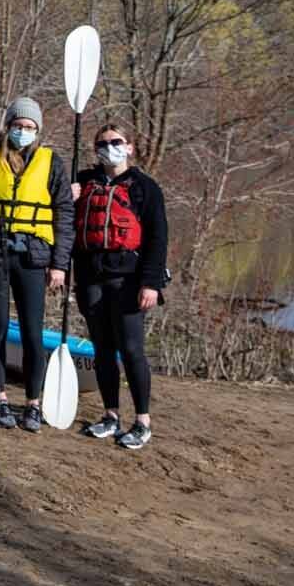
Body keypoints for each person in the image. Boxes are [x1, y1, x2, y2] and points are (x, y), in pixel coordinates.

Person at [0, 96, 75, 431]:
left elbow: (64, 215)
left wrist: (59, 264)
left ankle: (33, 403)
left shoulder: (51, 162)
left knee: (32, 330)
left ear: (37, 131)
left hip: (33, 255)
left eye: (29, 127)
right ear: (8, 126)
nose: (23, 131)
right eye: (18, 126)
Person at [72, 124, 167, 450]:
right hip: (91, 277)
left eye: (116, 142)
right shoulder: (83, 182)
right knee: (102, 349)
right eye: (102, 143)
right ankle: (110, 415)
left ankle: (142, 421)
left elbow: (157, 239)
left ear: (129, 147)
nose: (109, 147)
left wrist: (150, 284)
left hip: (127, 280)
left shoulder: (145, 188)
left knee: (131, 350)